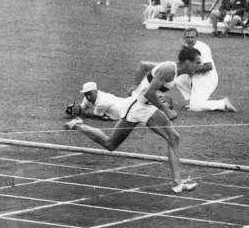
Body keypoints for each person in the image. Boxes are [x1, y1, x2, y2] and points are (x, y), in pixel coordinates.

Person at [64, 47, 202, 193]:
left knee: (174, 137)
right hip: (136, 108)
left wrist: (136, 87)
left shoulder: (172, 70)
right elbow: (149, 93)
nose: (199, 67)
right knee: (110, 144)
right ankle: (78, 125)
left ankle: (177, 183)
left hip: (147, 108)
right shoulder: (169, 69)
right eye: (197, 63)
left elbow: (144, 66)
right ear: (187, 62)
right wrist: (166, 110)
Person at [174, 28, 236, 112]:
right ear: (184, 38)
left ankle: (223, 103)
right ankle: (193, 100)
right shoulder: (185, 47)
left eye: (192, 37)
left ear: (196, 37)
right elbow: (180, 64)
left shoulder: (203, 47)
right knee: (179, 80)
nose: (190, 40)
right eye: (187, 37)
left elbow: (209, 67)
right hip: (196, 76)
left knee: (195, 107)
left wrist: (191, 70)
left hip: (207, 78)